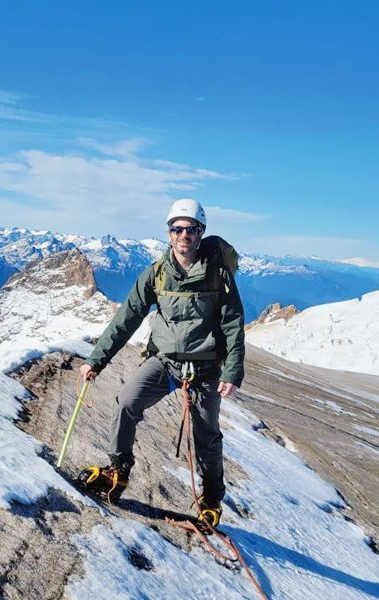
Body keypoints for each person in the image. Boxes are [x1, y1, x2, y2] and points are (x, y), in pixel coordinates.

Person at [77, 198, 244, 526]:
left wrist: (233, 369)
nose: (184, 235)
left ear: (200, 233)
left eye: (191, 229)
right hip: (165, 361)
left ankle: (211, 500)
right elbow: (126, 319)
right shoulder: (155, 274)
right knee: (126, 402)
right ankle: (118, 471)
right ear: (169, 233)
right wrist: (97, 360)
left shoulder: (218, 275)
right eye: (177, 229)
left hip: (206, 367)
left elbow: (233, 323)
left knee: (206, 433)